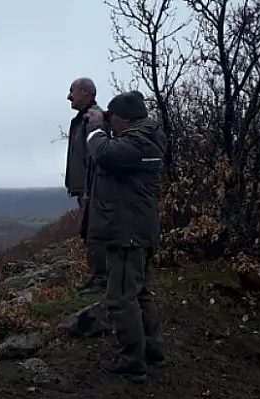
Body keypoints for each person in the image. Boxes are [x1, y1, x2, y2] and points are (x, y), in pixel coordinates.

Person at [82, 90, 167, 383]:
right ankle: (152, 352)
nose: (110, 122)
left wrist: (94, 128)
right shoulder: (146, 137)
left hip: (129, 233)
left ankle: (132, 361)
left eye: (112, 117)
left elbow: (105, 155)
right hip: (138, 230)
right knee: (139, 293)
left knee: (120, 297)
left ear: (126, 118)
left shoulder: (139, 142)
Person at [64, 77, 109, 294]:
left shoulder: (94, 117)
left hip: (93, 188)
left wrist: (91, 187)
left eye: (72, 91)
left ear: (84, 92)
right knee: (88, 233)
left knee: (95, 233)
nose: (68, 96)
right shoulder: (82, 119)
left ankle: (102, 279)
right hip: (85, 188)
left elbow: (97, 153)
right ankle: (96, 277)